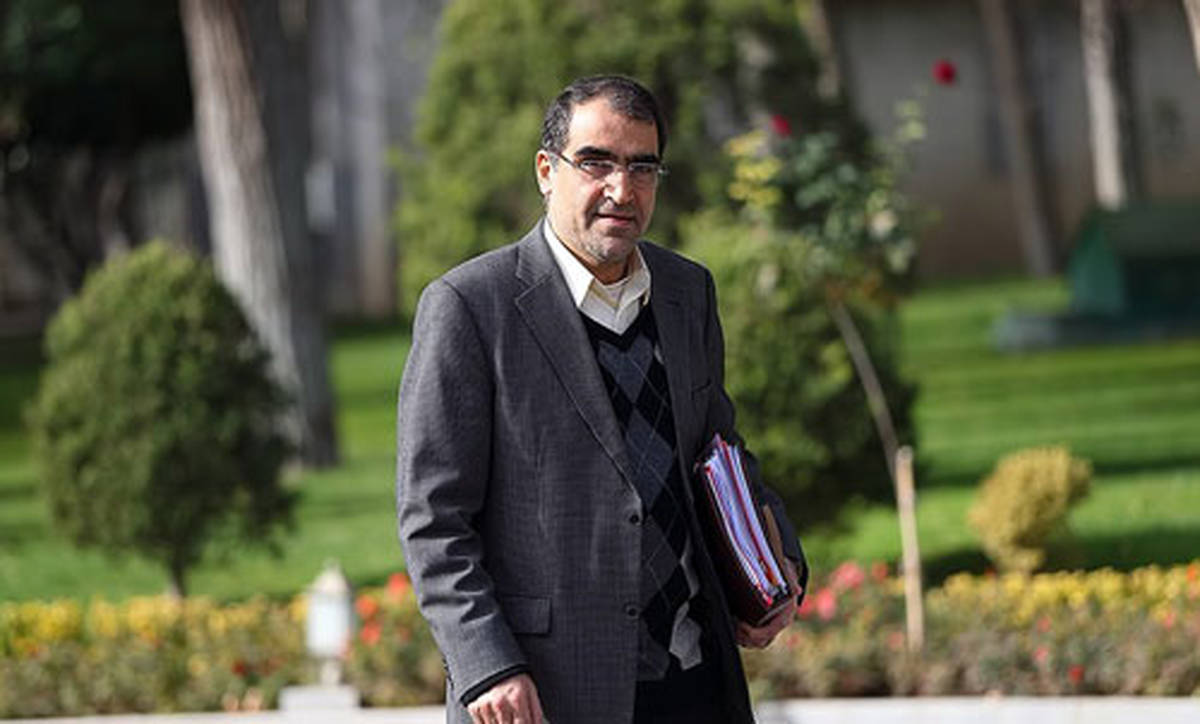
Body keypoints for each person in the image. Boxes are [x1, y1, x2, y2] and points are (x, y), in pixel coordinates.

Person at [397, 75, 807, 724]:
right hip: (544, 691)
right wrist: (486, 665)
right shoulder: (469, 307)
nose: (622, 188)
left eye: (642, 166)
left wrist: (777, 564)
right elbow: (433, 517)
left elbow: (720, 454)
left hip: (695, 683)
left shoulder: (687, 292)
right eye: (596, 162)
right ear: (546, 171)